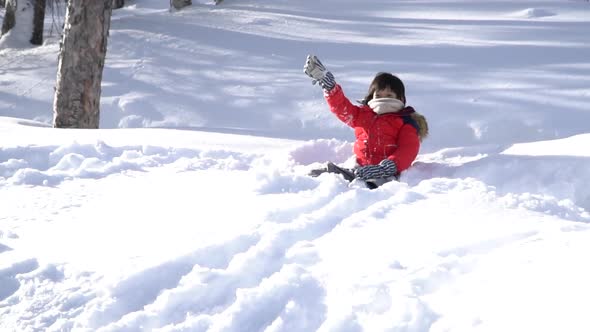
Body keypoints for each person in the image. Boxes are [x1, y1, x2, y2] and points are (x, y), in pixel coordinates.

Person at [304, 54, 428, 188]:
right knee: (328, 173)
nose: (383, 99)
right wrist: (329, 86)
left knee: (371, 184)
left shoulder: (405, 122)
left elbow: (407, 150)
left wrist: (386, 168)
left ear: (401, 99)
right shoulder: (364, 115)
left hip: (387, 174)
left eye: (389, 95)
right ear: (371, 97)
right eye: (378, 95)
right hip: (360, 170)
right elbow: (342, 109)